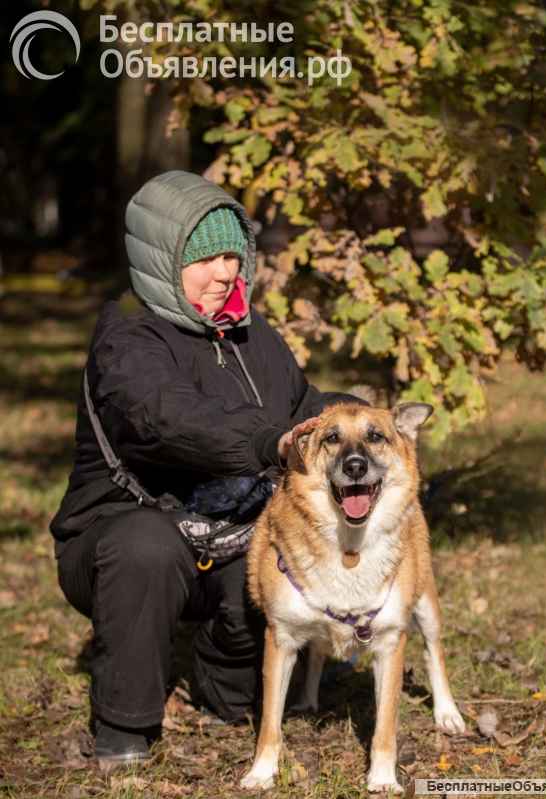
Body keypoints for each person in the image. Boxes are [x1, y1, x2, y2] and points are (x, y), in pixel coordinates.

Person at [49, 170, 369, 764]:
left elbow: (302, 405)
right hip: (122, 540)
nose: (225, 273)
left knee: (268, 582)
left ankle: (224, 687)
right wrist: (266, 442)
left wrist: (351, 413)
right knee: (145, 546)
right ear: (160, 260)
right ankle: (124, 726)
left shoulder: (253, 335)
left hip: (232, 541)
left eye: (232, 255)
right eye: (205, 260)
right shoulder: (126, 333)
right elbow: (169, 418)